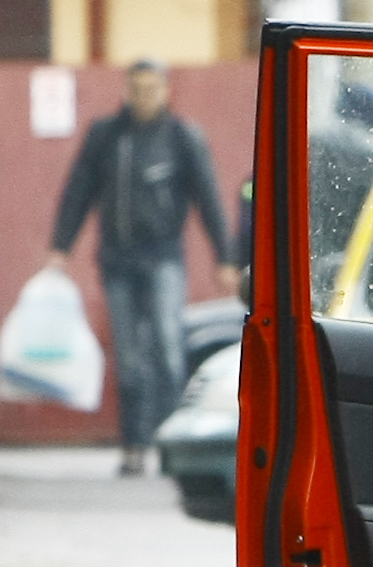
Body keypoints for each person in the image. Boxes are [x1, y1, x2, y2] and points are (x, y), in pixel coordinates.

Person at [47, 59, 238, 475]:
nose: (143, 97)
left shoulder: (182, 137)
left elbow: (208, 198)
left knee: (169, 350)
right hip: (117, 259)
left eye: (152, 89)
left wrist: (225, 257)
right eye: (136, 89)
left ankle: (170, 444)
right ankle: (133, 446)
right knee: (129, 357)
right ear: (126, 91)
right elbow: (78, 190)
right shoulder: (106, 137)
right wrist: (60, 246)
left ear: (166, 91)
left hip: (164, 257)